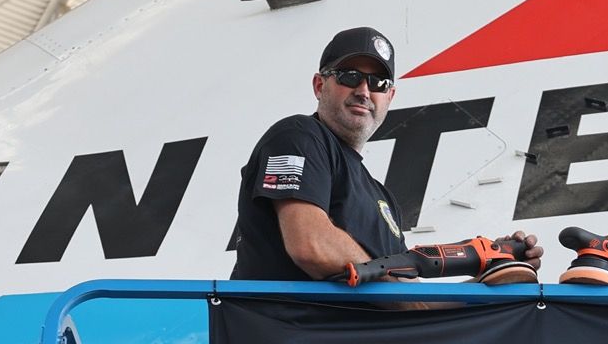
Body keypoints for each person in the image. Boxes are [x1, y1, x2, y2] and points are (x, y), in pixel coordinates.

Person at [232, 26, 541, 281]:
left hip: (358, 337)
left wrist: (490, 272)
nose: (364, 91)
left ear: (390, 96)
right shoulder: (298, 137)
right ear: (319, 85)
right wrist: (392, 278)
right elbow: (311, 246)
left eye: (378, 83)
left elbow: (409, 298)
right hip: (286, 332)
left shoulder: (383, 200)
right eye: (349, 76)